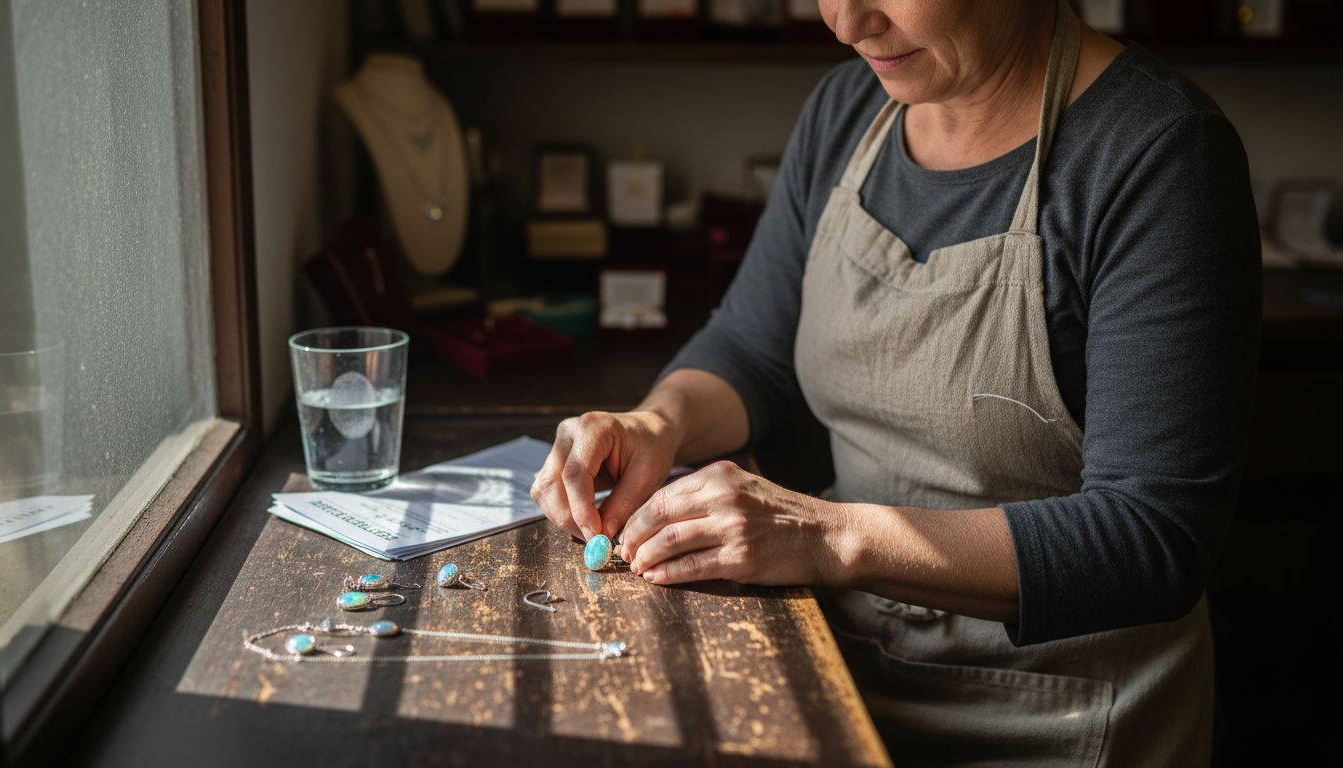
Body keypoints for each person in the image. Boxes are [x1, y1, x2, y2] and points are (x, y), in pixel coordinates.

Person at [530, 0, 1260, 764]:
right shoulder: (850, 109)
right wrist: (658, 423)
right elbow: (754, 348)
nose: (846, 24)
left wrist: (824, 535)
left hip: (1063, 712)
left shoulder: (1161, 153)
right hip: (839, 668)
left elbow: (1150, 539)